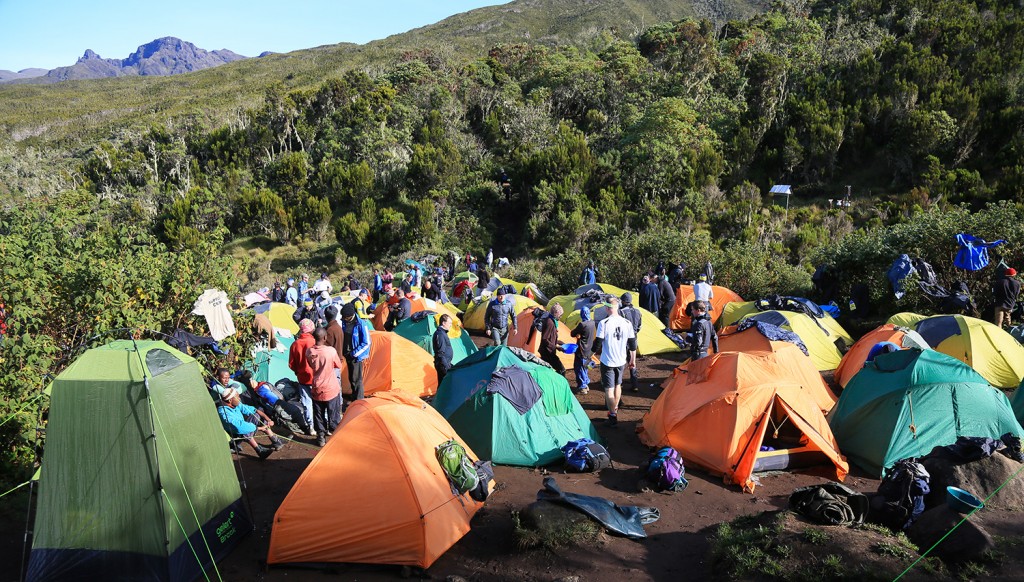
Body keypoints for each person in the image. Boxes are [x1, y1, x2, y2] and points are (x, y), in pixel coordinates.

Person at [594, 297, 634, 427]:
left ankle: (612, 415)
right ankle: (614, 409)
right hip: (621, 360)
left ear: (607, 308)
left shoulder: (604, 323)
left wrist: (590, 355)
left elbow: (598, 343)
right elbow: (632, 344)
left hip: (608, 361)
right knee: (618, 385)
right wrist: (632, 360)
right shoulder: (627, 323)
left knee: (608, 389)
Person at [217, 388, 283, 459]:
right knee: (244, 429)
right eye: (237, 397)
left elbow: (255, 410)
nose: (239, 398)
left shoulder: (234, 404)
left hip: (240, 429)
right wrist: (259, 428)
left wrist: (269, 420)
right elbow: (238, 427)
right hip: (234, 436)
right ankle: (259, 450)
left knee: (257, 415)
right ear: (230, 400)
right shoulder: (223, 412)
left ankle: (276, 441)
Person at [306, 327, 344, 447]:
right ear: (325, 338)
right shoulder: (331, 351)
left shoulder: (309, 352)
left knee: (318, 414)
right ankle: (336, 437)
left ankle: (321, 437)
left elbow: (311, 365)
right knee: (334, 414)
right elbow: (338, 364)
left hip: (316, 387)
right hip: (331, 387)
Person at [288, 318, 317, 436]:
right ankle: (323, 424)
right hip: (316, 377)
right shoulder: (315, 342)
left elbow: (291, 364)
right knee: (320, 401)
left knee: (307, 403)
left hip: (302, 378)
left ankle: (311, 426)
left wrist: (297, 371)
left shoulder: (295, 344)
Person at [341, 303, 372, 403]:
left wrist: (355, 353)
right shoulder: (344, 322)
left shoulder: (361, 324)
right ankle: (354, 397)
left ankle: (359, 400)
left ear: (351, 316)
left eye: (346, 317)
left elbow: (366, 342)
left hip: (356, 356)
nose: (344, 319)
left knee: (356, 379)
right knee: (351, 378)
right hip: (348, 354)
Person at [619, 293, 643, 392]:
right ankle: (635, 384)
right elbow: (639, 326)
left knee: (620, 361)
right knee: (632, 361)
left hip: (624, 340)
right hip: (634, 338)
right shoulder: (638, 311)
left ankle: (618, 383)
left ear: (623, 301)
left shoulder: (620, 312)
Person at [570, 306, 597, 394]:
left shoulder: (582, 324)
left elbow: (572, 333)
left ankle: (583, 386)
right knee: (585, 366)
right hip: (589, 349)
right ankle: (586, 383)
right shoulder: (592, 323)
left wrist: (578, 334)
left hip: (581, 349)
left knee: (579, 367)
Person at [536, 304, 567, 374]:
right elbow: (545, 339)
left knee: (547, 371)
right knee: (562, 370)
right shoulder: (549, 323)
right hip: (547, 352)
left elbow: (551, 338)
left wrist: (560, 342)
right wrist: (556, 347)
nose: (560, 317)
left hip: (548, 351)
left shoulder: (552, 321)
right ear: (556, 314)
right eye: (560, 315)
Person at [433, 313, 455, 382]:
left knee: (444, 383)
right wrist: (446, 366)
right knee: (443, 384)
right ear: (443, 323)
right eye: (449, 323)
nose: (451, 325)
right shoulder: (440, 334)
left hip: (445, 363)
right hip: (442, 364)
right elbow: (440, 352)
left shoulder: (443, 333)